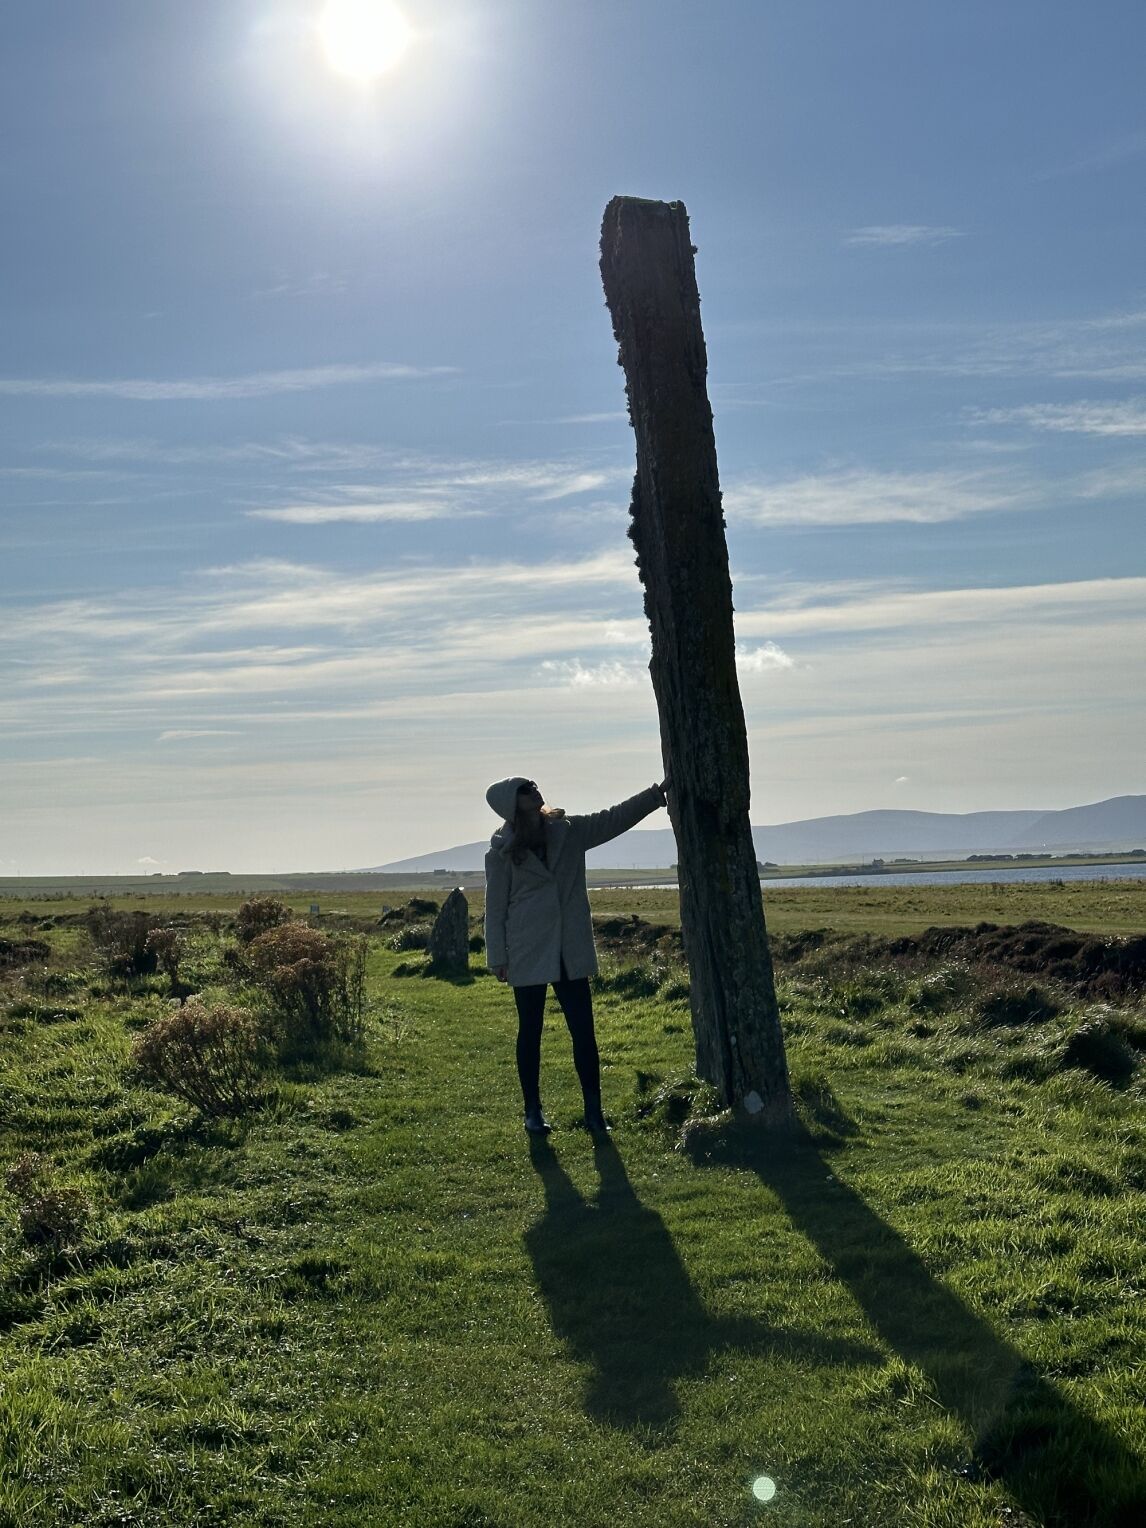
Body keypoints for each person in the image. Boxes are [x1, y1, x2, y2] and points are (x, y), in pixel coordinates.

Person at [483, 775, 669, 1135]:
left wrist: (653, 796)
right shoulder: (501, 852)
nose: (534, 789)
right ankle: (532, 1111)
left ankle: (594, 1113)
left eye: (533, 784)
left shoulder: (569, 831)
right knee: (530, 1032)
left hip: (569, 946)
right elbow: (495, 909)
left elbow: (612, 818)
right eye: (524, 789)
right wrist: (498, 958)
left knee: (584, 1031)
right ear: (510, 803)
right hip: (527, 948)